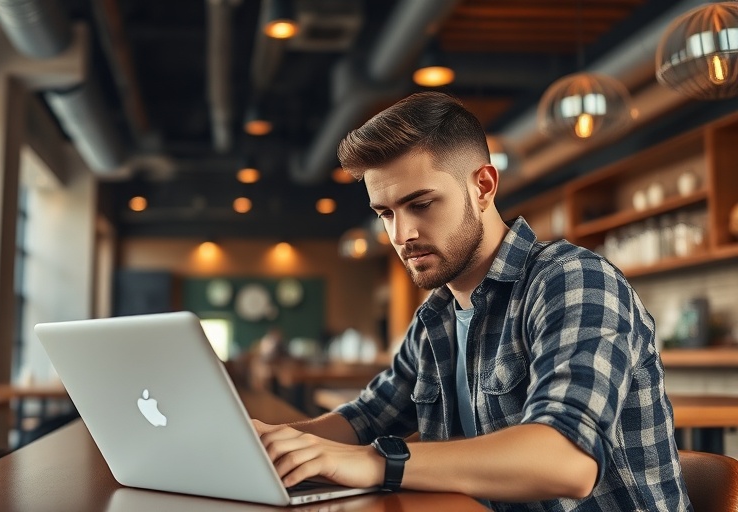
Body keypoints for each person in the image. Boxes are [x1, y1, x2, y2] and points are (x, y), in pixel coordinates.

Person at [253, 92, 691, 511]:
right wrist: (259, 442)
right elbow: (366, 418)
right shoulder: (437, 316)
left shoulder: (571, 279)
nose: (401, 235)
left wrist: (375, 463)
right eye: (385, 213)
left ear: (483, 186)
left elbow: (564, 460)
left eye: (421, 204)